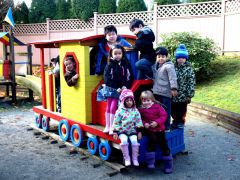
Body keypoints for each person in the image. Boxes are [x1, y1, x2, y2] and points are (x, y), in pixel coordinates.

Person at [138, 90, 173, 174]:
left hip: (160, 129)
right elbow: (139, 119)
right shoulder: (141, 109)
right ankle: (150, 163)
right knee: (151, 143)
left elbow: (164, 115)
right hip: (150, 130)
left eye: (148, 100)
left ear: (152, 100)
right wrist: (144, 123)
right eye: (144, 100)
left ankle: (168, 165)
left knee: (164, 146)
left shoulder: (157, 107)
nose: (146, 102)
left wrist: (157, 122)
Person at [103, 44, 134, 135]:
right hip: (111, 89)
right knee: (108, 106)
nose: (117, 55)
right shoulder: (109, 65)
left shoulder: (125, 64)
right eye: (115, 53)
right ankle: (107, 126)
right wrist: (116, 87)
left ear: (122, 54)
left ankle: (113, 127)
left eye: (119, 53)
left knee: (113, 107)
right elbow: (107, 78)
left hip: (121, 90)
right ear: (111, 54)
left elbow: (130, 76)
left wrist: (125, 85)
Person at [112, 89, 143, 166]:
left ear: (133, 101)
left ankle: (135, 159)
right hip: (123, 131)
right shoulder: (120, 111)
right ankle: (127, 158)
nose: (129, 102)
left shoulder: (135, 111)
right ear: (123, 101)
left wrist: (139, 132)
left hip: (132, 131)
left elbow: (139, 121)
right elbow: (116, 122)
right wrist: (115, 132)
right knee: (124, 141)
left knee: (134, 141)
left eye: (130, 100)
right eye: (127, 100)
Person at [152, 47, 178, 131]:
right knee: (158, 111)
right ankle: (160, 126)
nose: (160, 58)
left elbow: (173, 78)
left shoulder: (168, 66)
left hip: (165, 93)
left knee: (166, 111)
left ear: (166, 57)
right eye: (158, 56)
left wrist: (174, 88)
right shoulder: (155, 66)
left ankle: (167, 127)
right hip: (157, 93)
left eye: (163, 56)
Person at [171, 44, 196, 129]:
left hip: (184, 94)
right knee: (173, 109)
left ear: (186, 59)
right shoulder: (172, 67)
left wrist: (189, 94)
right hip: (174, 94)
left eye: (183, 58)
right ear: (176, 58)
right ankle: (175, 120)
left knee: (182, 109)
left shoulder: (189, 69)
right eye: (179, 58)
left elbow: (191, 82)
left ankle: (181, 121)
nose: (180, 59)